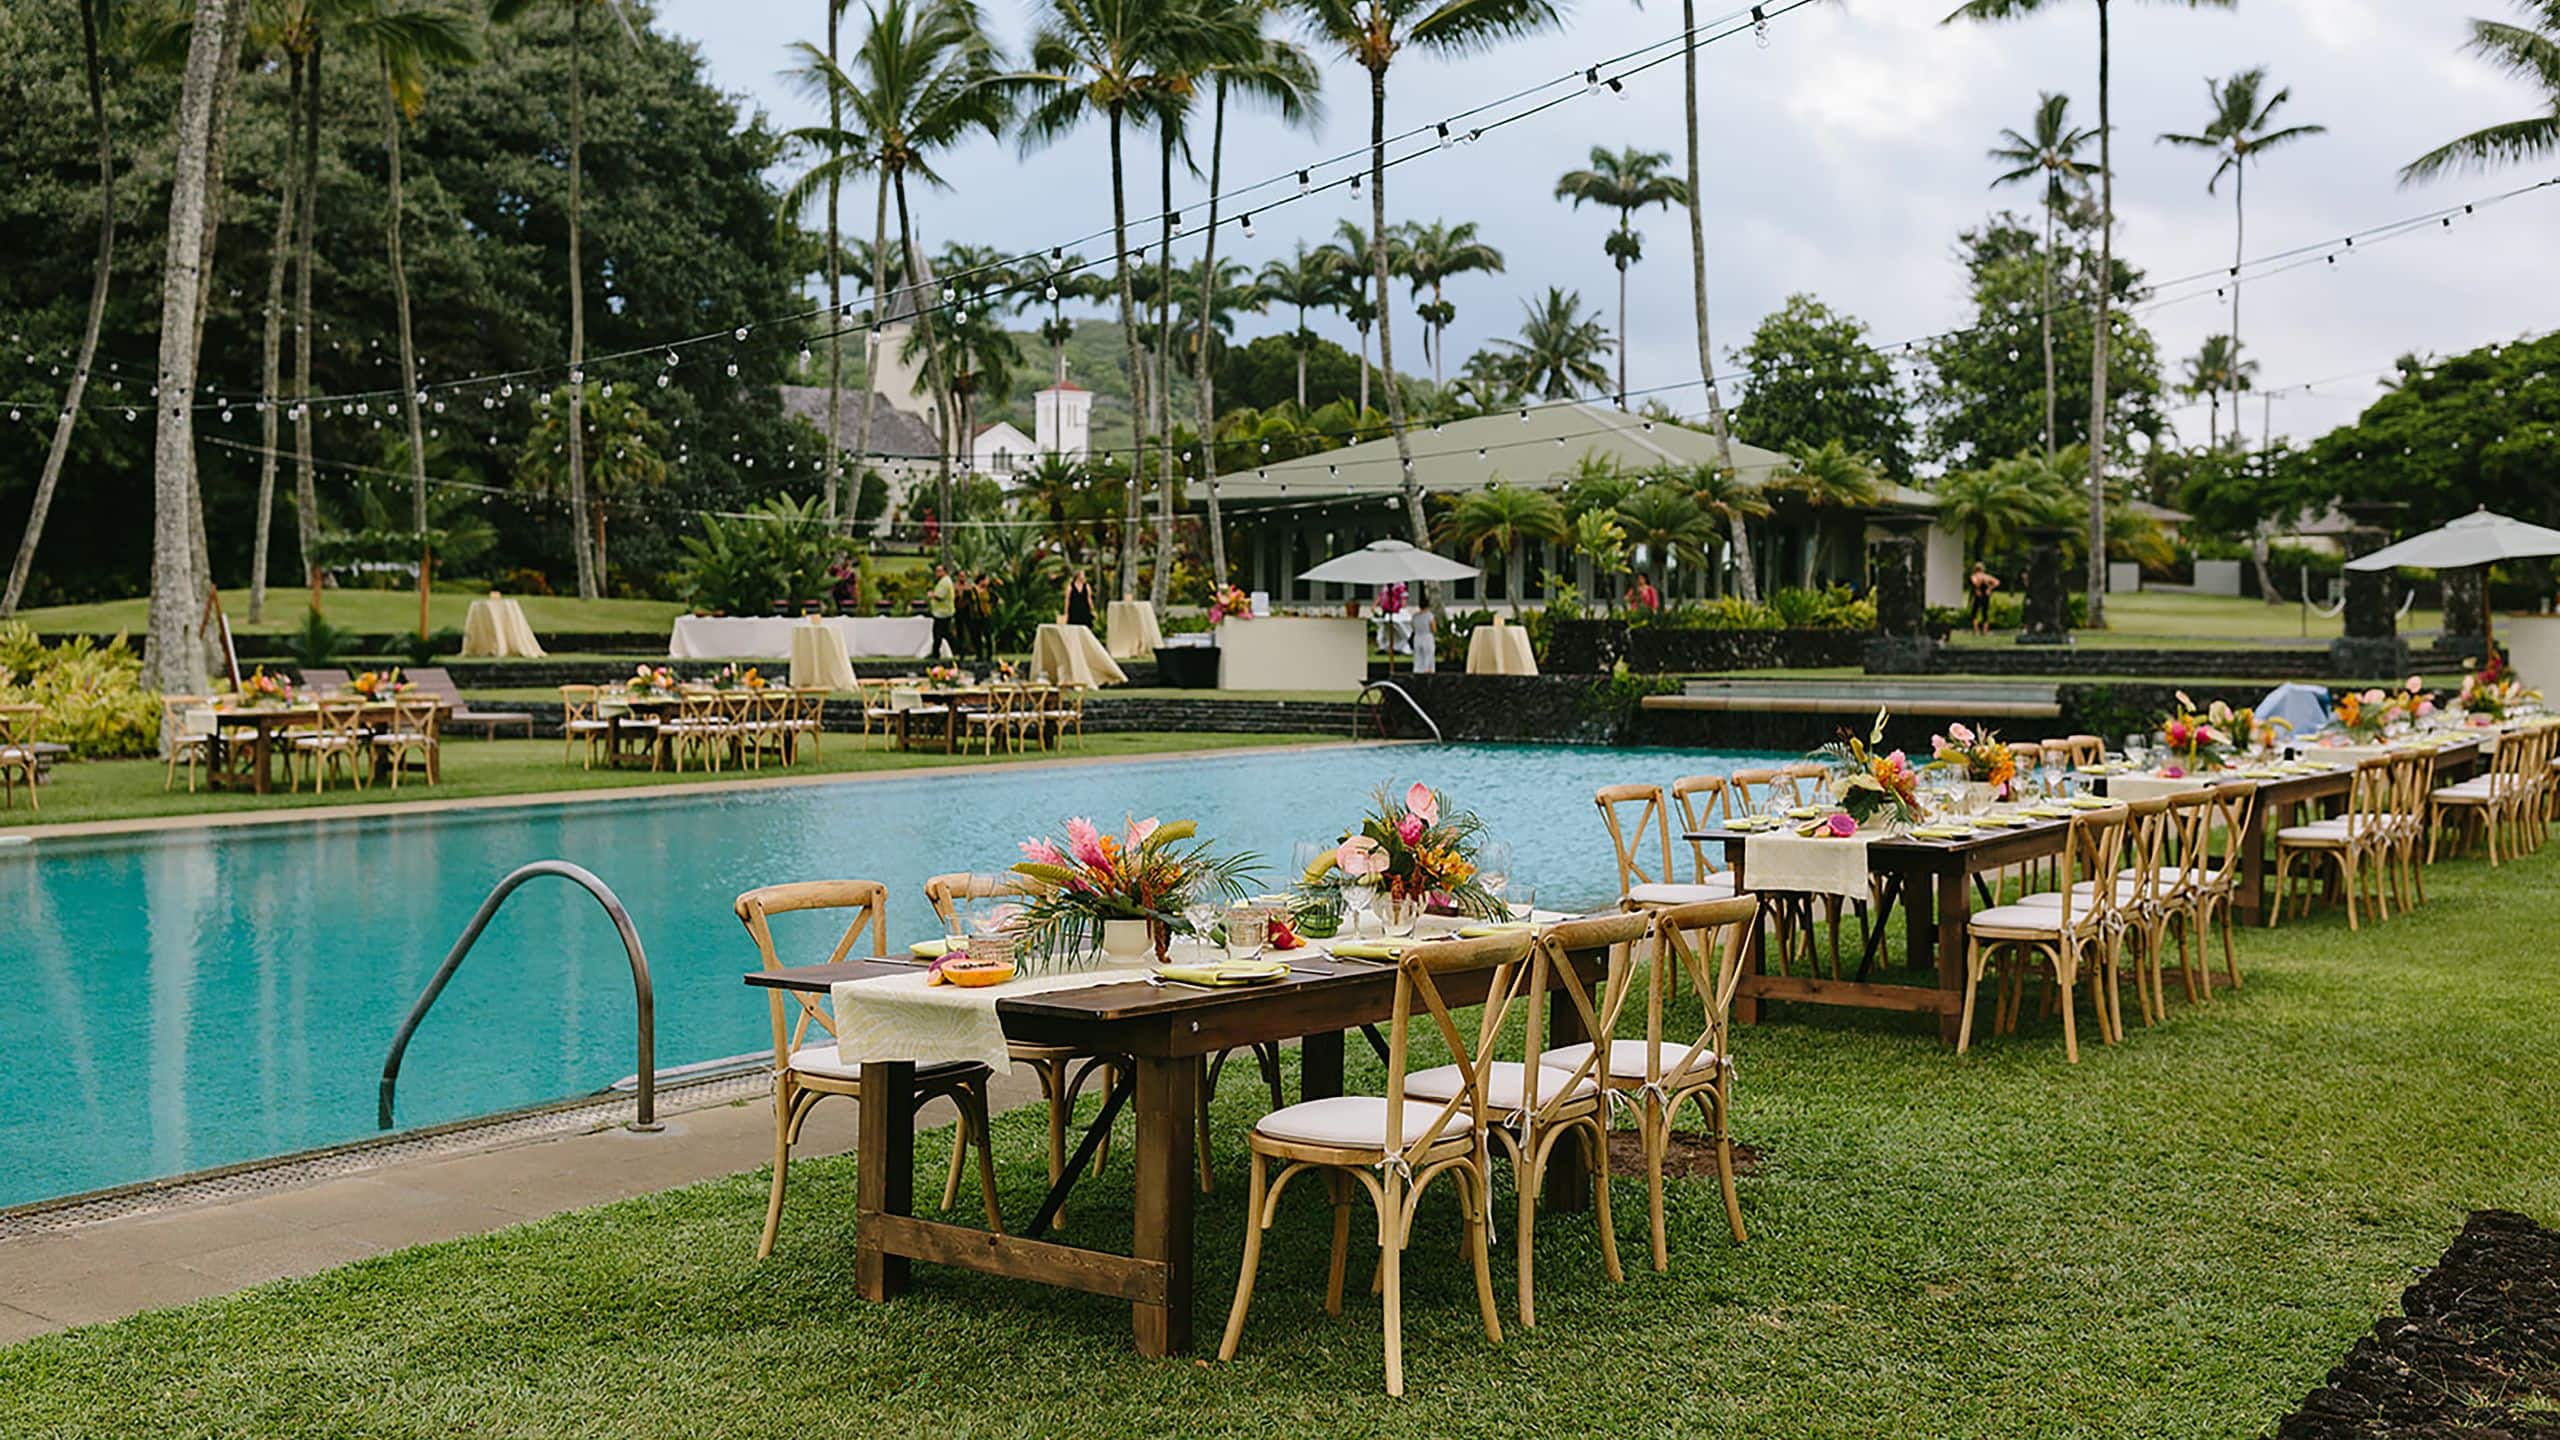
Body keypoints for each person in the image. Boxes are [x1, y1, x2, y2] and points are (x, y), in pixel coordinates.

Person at [928, 564, 957, 659]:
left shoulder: (944, 582)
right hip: (942, 612)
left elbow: (940, 596)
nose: (937, 573)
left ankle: (936, 654)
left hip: (942, 613)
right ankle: (936, 653)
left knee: (939, 634)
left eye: (939, 571)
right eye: (936, 571)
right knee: (942, 634)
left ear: (945, 572)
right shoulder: (944, 581)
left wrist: (932, 594)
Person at [972, 571, 1000, 666]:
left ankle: (989, 655)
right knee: (977, 636)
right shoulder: (973, 590)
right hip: (976, 616)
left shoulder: (989, 590)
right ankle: (979, 655)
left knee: (988, 635)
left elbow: (995, 599)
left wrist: (991, 607)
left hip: (986, 615)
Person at [1967, 562, 2001, 635]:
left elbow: (1975, 584)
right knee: (1985, 613)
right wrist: (1990, 588)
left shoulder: (1974, 576)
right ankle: (1985, 631)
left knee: (1974, 613)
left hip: (1978, 595)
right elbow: (1997, 582)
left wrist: (1980, 583)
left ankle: (1976, 630)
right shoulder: (1987, 576)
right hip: (1986, 595)